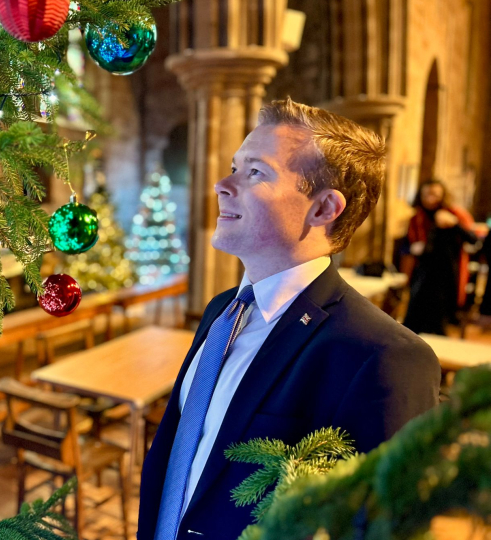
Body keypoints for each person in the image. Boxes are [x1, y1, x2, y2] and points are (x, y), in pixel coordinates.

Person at [138, 99, 441, 540]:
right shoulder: (222, 311)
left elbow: (383, 527)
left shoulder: (382, 357)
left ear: (323, 209)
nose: (223, 184)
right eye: (234, 167)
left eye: (256, 172)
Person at [402, 179, 476, 335]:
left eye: (434, 194)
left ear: (442, 195)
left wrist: (454, 223)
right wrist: (413, 248)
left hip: (446, 274)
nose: (430, 198)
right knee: (412, 321)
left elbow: (473, 239)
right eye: (426, 194)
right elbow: (406, 246)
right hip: (422, 274)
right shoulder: (417, 218)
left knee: (438, 323)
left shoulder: (454, 214)